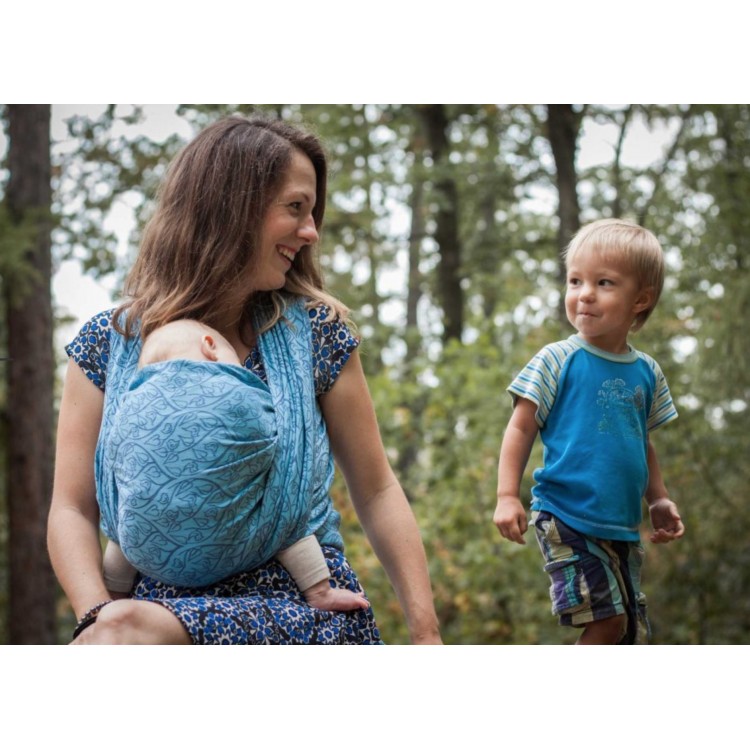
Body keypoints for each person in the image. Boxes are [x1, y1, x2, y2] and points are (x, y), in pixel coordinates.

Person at [48, 114, 442, 645]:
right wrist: (98, 618)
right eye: (296, 208)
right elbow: (72, 507)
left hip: (300, 601)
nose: (311, 231)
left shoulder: (317, 336)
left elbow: (375, 489)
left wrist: (426, 634)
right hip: (149, 612)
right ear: (233, 208)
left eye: (312, 211)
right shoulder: (108, 343)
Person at [493, 218, 685, 644]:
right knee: (605, 622)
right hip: (566, 515)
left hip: (620, 526)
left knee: (628, 631)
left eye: (604, 282)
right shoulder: (557, 359)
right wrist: (508, 495)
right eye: (575, 281)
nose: (584, 294)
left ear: (641, 299)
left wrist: (659, 498)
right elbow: (521, 428)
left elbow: (641, 440)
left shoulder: (647, 372)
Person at [100, 318, 368, 613]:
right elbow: (276, 438)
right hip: (235, 548)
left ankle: (113, 597)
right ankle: (320, 592)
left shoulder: (127, 406)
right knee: (284, 513)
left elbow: (112, 461)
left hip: (147, 554)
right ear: (209, 347)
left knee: (122, 530)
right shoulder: (239, 393)